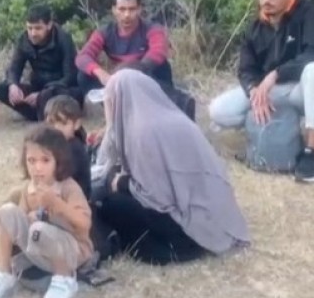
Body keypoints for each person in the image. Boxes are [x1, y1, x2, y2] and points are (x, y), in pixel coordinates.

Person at [92, 69, 250, 265]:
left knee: (111, 205)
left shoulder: (143, 132)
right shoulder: (172, 118)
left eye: (109, 100)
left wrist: (121, 183)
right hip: (215, 217)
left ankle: (160, 249)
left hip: (188, 231)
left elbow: (155, 196)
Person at [208, 0, 314, 183]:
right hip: (271, 91)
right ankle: (269, 133)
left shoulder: (311, 14)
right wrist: (254, 90)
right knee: (218, 110)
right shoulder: (255, 26)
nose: (266, 0)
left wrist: (276, 74)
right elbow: (246, 69)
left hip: (303, 90)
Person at [0, 125, 93, 298]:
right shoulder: (29, 188)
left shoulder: (68, 187)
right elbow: (20, 222)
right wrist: (26, 219)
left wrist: (58, 204)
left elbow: (84, 224)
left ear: (59, 161)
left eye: (45, 160)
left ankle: (65, 279)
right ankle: (4, 272)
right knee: (7, 211)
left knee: (40, 230)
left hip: (71, 254)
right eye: (31, 160)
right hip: (39, 251)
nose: (37, 167)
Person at [75, 0, 173, 98]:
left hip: (145, 76)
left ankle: (162, 100)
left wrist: (130, 73)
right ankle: (104, 103)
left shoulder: (153, 29)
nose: (127, 14)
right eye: (122, 9)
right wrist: (101, 73)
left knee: (161, 66)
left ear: (139, 9)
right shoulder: (105, 32)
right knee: (84, 75)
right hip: (119, 79)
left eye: (132, 9)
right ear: (114, 10)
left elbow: (158, 52)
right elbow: (83, 56)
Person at [0, 5, 80, 121]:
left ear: (49, 25)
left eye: (38, 28)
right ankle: (40, 113)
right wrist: (13, 85)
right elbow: (14, 68)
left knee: (46, 96)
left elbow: (70, 77)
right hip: (38, 87)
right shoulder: (24, 39)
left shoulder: (63, 39)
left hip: (61, 90)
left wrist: (44, 92)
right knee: (0, 89)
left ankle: (44, 115)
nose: (33, 33)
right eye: (30, 28)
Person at [44, 96, 90, 197]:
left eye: (63, 123)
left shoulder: (74, 149)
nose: (56, 128)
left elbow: (59, 177)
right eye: (51, 123)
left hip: (74, 200)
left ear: (76, 124)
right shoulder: (55, 145)